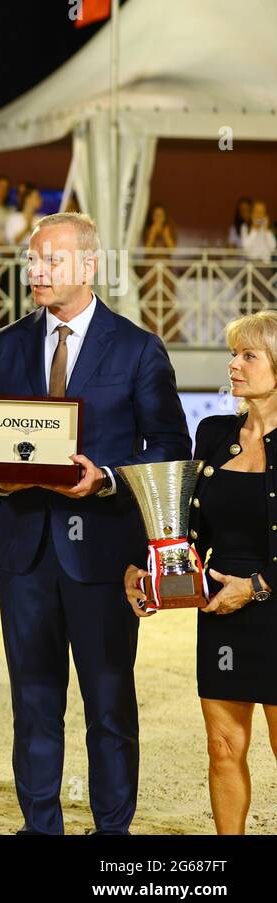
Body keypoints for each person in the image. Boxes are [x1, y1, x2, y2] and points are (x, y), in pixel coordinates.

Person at [0, 212, 191, 835]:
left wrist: (109, 478)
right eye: (32, 261)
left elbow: (169, 447)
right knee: (33, 703)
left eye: (51, 261)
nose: (36, 271)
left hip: (104, 555)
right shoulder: (6, 343)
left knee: (109, 703)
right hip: (24, 554)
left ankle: (111, 834)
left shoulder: (139, 347)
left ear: (89, 267)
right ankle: (41, 828)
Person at [124, 311, 277, 835]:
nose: (233, 364)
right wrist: (154, 572)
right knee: (222, 747)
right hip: (220, 613)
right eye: (233, 354)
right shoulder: (213, 434)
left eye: (248, 356)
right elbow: (189, 530)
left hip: (268, 606)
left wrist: (256, 589)